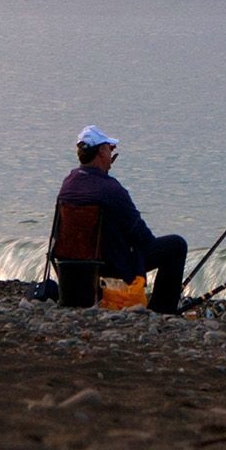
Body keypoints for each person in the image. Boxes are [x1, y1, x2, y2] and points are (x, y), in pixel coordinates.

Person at [56, 125, 186, 314]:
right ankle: (162, 309)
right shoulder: (111, 189)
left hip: (74, 267)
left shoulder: (68, 183)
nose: (111, 153)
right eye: (110, 148)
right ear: (101, 152)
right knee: (176, 246)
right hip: (113, 265)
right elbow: (142, 237)